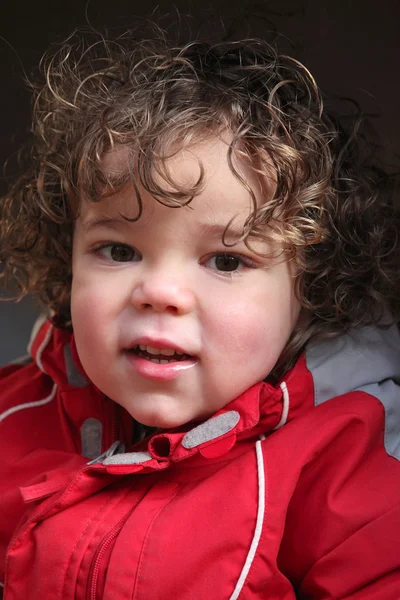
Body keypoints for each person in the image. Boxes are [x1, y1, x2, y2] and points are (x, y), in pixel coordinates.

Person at [0, 30, 399, 599]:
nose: (160, 292)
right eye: (119, 251)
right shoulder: (15, 412)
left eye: (227, 261)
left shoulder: (349, 463)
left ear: (310, 288)